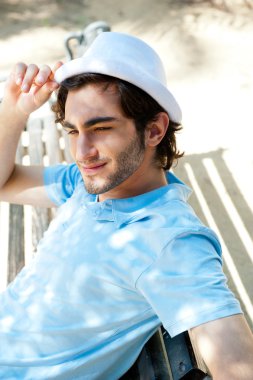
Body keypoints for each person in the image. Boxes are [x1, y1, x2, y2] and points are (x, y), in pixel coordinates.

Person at [0, 31, 252, 380]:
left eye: (100, 128)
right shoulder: (86, 184)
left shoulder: (169, 241)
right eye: (72, 131)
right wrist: (14, 111)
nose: (81, 152)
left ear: (154, 130)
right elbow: (4, 183)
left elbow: (239, 369)